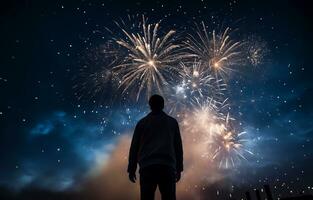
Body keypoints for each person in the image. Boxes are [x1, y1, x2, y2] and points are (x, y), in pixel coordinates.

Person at [127, 94, 183, 200]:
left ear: (150, 105)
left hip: (147, 167)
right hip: (167, 167)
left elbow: (134, 147)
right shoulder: (172, 122)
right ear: (163, 105)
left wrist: (131, 168)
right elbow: (178, 147)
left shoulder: (142, 123)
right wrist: (179, 168)